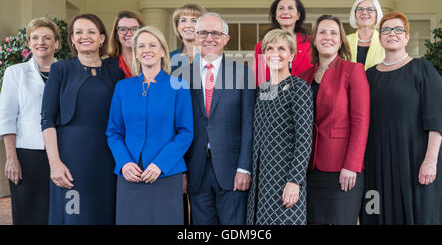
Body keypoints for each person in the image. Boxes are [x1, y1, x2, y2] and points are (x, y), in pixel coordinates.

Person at [361, 12, 442, 225]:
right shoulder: (368, 76)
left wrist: (430, 161)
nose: (392, 33)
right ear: (379, 37)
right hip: (377, 164)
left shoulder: (423, 69)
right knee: (376, 212)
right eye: (386, 30)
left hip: (416, 162)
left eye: (398, 29)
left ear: (407, 37)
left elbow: (436, 121)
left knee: (420, 215)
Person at [41, 13, 124, 225]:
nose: (84, 36)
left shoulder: (115, 71)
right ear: (71, 39)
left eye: (91, 31)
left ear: (102, 38)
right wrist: (55, 163)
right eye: (78, 32)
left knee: (105, 214)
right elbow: (47, 119)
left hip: (108, 158)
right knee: (75, 215)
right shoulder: (61, 69)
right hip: (71, 159)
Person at [106, 26, 194, 225]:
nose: (147, 49)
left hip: (166, 175)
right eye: (142, 46)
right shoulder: (123, 87)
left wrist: (160, 164)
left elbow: (185, 132)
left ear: (163, 51)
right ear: (136, 53)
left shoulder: (178, 85)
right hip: (130, 176)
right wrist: (124, 163)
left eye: (153, 45)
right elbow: (113, 132)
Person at [177, 12, 256, 225]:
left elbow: (249, 124)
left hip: (233, 170)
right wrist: (181, 170)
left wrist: (244, 168)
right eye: (203, 33)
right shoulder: (181, 75)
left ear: (226, 39)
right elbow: (176, 127)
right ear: (195, 36)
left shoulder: (243, 73)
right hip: (196, 169)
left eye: (215, 33)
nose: (209, 38)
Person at [299, 14, 370, 225]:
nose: (327, 37)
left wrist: (352, 164)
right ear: (314, 39)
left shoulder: (353, 71)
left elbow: (361, 121)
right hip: (309, 169)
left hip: (342, 169)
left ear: (340, 41)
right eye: (322, 32)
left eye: (333, 33)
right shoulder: (303, 77)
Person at [246, 29, 313, 225]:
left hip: (285, 180)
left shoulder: (299, 88)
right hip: (260, 182)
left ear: (291, 55)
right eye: (270, 48)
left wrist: (294, 180)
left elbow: (304, 139)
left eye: (282, 48)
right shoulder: (262, 90)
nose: (275, 53)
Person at [0, 17, 60, 224]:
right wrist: (11, 157)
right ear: (29, 43)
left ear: (57, 43)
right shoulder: (14, 73)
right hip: (27, 155)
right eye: (35, 37)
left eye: (46, 37)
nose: (40, 42)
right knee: (28, 214)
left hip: (62, 153)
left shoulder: (68, 72)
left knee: (58, 212)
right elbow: (7, 117)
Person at [253, 0, 312, 87]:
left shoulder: (311, 44)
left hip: (305, 98)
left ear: (298, 15)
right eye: (281, 8)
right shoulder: (261, 46)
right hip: (271, 98)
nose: (285, 12)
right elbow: (259, 80)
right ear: (275, 15)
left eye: (290, 8)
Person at [346, 0, 385, 69]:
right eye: (360, 9)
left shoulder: (385, 41)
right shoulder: (344, 41)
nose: (364, 12)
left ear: (377, 14)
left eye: (370, 9)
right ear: (355, 14)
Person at [108, 10, 146, 78]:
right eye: (123, 29)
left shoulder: (153, 60)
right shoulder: (106, 66)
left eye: (134, 29)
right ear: (116, 34)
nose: (129, 34)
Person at [170, 3, 207, 72]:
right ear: (177, 26)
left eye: (194, 21)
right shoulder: (168, 59)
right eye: (183, 20)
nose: (188, 25)